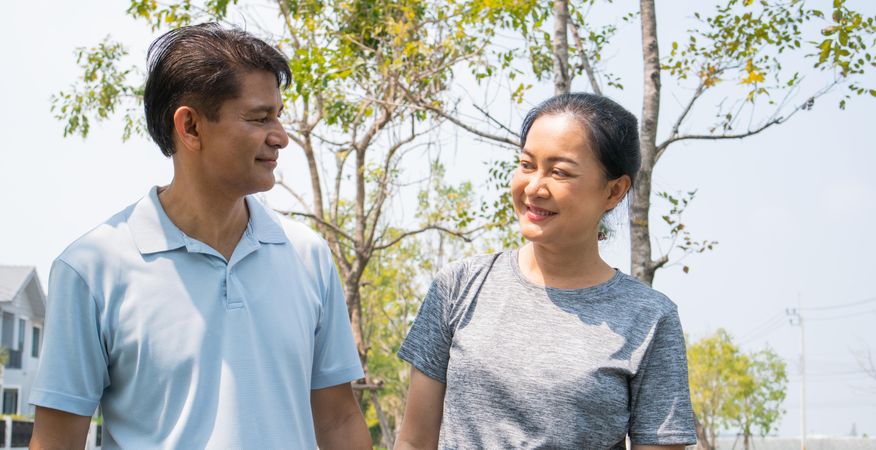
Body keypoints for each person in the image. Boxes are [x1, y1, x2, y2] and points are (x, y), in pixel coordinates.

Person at [29, 23, 371, 450]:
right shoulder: (91, 269)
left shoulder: (309, 256)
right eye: (259, 117)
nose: (280, 136)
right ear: (190, 127)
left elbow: (338, 420)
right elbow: (57, 441)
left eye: (278, 115)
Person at [394, 93, 697, 449]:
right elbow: (414, 441)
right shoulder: (458, 287)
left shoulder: (649, 318)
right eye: (527, 165)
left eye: (559, 172)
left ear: (614, 191)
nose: (535, 187)